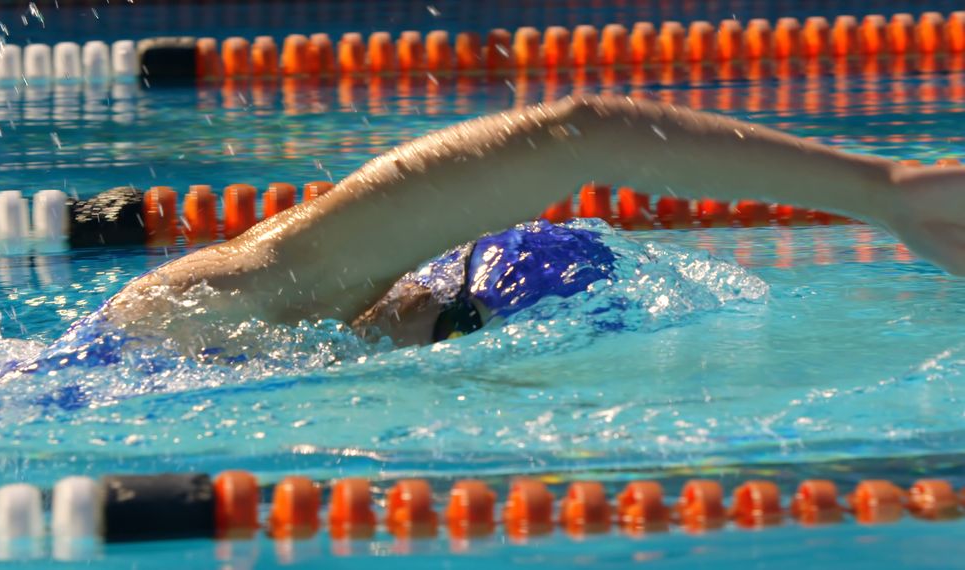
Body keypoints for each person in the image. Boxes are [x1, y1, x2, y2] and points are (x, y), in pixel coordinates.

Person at [101, 95, 965, 350]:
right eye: (462, 323)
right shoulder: (275, 291)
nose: (448, 350)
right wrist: (888, 192)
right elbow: (579, 132)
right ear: (427, 280)